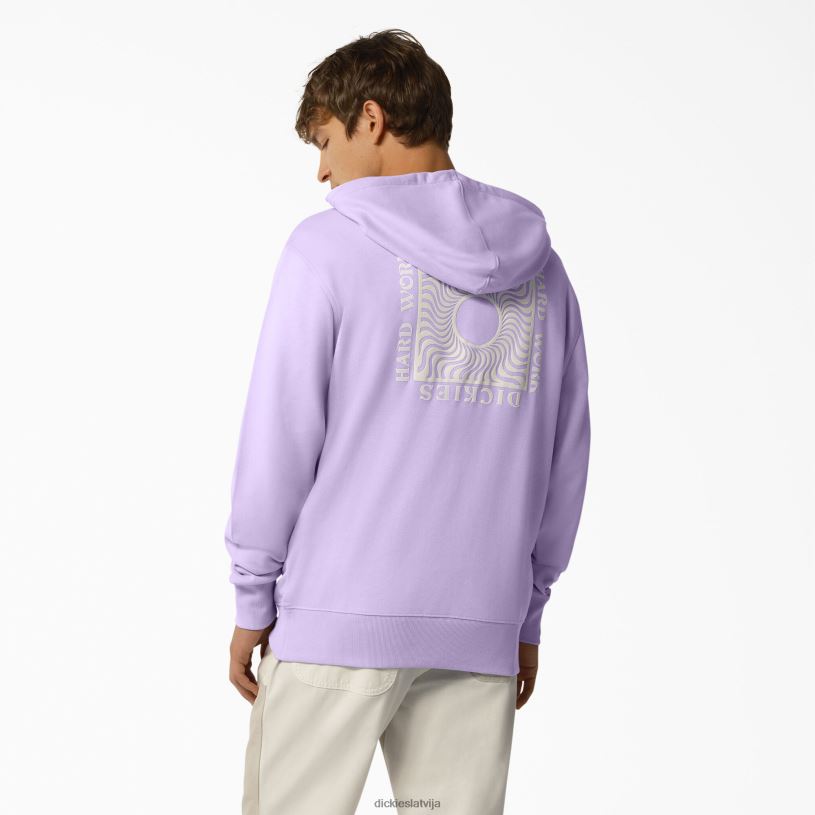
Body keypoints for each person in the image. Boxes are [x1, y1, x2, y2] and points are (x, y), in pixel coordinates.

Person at [223, 28, 591, 815]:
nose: (321, 171)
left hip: (335, 623)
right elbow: (566, 461)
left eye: (325, 141)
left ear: (371, 118)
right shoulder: (545, 274)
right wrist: (524, 612)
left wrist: (253, 599)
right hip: (479, 627)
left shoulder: (324, 249)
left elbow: (277, 442)